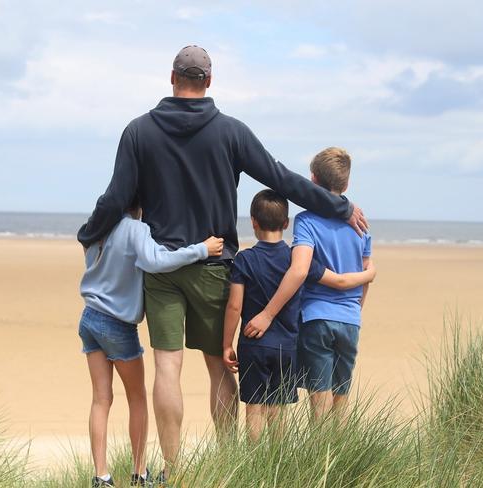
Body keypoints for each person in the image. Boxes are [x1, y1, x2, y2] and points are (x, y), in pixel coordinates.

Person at [77, 45, 368, 483]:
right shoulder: (230, 131)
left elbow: (117, 199)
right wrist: (338, 207)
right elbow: (281, 178)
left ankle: (172, 472)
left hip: (162, 271)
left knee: (167, 367)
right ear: (209, 82)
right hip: (217, 266)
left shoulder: (139, 131)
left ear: (171, 77)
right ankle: (231, 465)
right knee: (218, 365)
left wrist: (89, 233)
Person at [78, 195, 224, 487]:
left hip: (89, 318)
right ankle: (139, 472)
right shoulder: (135, 229)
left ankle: (101, 475)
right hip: (117, 324)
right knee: (137, 399)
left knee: (101, 400)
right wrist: (200, 250)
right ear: (139, 205)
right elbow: (156, 260)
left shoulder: (95, 229)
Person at [222, 190, 376, 441]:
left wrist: (227, 343)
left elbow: (234, 307)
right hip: (287, 346)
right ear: (286, 224)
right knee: (279, 409)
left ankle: (253, 462)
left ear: (253, 221)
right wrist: (368, 275)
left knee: (255, 407)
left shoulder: (244, 259)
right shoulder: (298, 261)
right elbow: (337, 280)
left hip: (253, 344)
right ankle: (277, 462)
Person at [243, 148, 373, 419]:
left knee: (319, 397)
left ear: (312, 181)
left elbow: (300, 270)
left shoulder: (307, 221)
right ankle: (340, 457)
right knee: (341, 395)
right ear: (346, 183)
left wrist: (268, 314)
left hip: (316, 318)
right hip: (350, 319)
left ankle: (319, 458)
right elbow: (365, 274)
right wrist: (355, 310)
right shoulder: (360, 224)